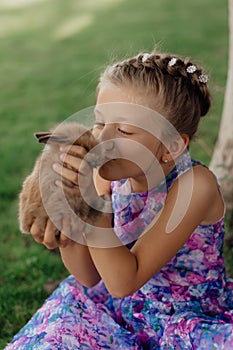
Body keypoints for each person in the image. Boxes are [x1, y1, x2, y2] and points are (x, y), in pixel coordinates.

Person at [5, 49, 233, 350]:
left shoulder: (194, 185)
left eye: (124, 129)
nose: (101, 138)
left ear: (172, 146)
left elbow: (124, 280)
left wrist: (92, 210)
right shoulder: (106, 177)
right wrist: (68, 219)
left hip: (186, 318)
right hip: (124, 310)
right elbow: (88, 276)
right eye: (99, 122)